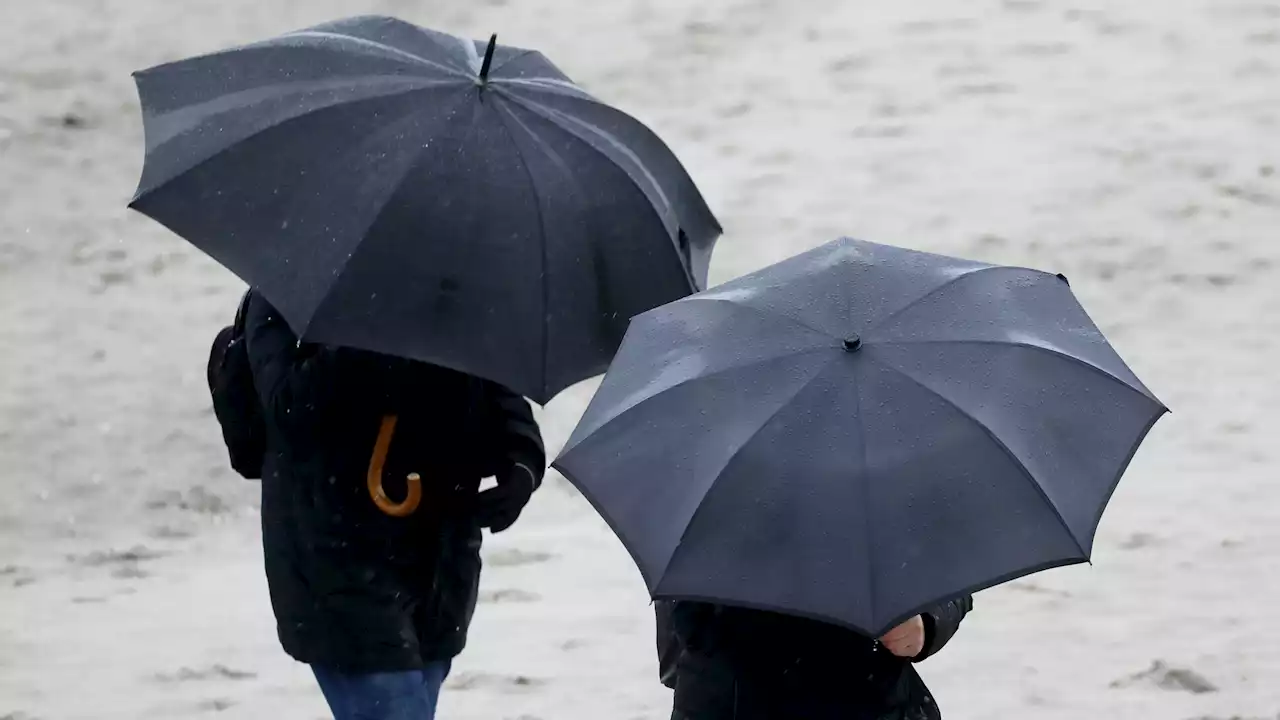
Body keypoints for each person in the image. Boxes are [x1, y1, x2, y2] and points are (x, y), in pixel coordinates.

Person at [242, 290, 545, 720]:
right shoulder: (285, 291)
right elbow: (288, 407)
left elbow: (496, 386)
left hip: (439, 561)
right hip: (336, 557)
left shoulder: (451, 286)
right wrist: (366, 341)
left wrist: (522, 461)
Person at [657, 595, 972, 720]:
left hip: (868, 698)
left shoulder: (896, 461)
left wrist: (928, 620)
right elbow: (675, 572)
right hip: (731, 700)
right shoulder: (717, 467)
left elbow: (953, 562)